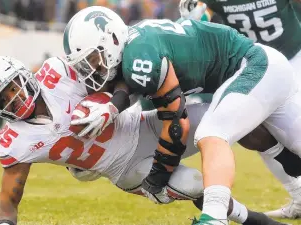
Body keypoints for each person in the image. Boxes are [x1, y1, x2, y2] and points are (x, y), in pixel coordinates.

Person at [0, 56, 287, 225]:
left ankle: (293, 168)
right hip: (127, 167)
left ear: (24, 76)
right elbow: (8, 200)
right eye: (5, 97)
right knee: (194, 184)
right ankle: (251, 220)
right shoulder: (14, 140)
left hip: (146, 124)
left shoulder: (59, 74)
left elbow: (117, 72)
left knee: (224, 119)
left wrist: (109, 101)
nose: (15, 97)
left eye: (14, 86)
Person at [62, 6, 301, 225]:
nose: (95, 69)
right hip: (267, 67)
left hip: (254, 66)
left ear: (112, 39)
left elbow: (177, 123)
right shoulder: (135, 46)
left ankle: (215, 218)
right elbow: (127, 81)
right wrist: (114, 104)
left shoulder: (139, 55)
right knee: (262, 136)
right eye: (88, 65)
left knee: (212, 133)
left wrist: (159, 175)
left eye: (96, 59)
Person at [178, 0, 301, 218]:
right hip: (257, 65)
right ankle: (299, 195)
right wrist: (196, 17)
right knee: (260, 131)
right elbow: (211, 23)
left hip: (294, 56)